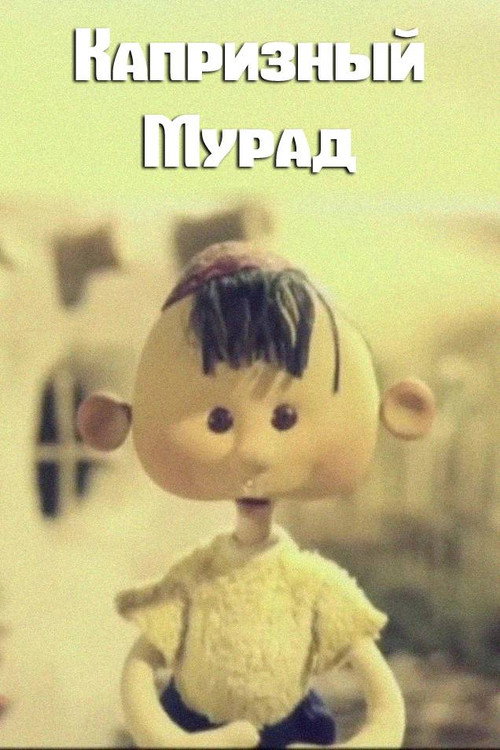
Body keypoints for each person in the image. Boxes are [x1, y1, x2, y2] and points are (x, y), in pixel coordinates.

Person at [78, 241, 435, 748]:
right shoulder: (193, 580)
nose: (255, 453)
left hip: (294, 733)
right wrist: (172, 740)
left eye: (284, 417)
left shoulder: (312, 586)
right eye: (219, 419)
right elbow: (140, 668)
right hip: (193, 726)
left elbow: (383, 704)